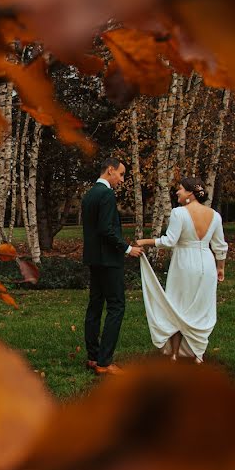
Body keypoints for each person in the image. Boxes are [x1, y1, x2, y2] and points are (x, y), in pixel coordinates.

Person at [134, 177, 228, 363]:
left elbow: (170, 241)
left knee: (176, 307)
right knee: (201, 308)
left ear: (190, 193)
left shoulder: (179, 213)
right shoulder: (215, 215)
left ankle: (175, 354)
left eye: (180, 189)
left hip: (184, 263)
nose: (177, 192)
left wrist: (145, 241)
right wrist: (220, 267)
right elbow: (220, 245)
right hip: (206, 263)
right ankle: (198, 355)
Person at [82, 158, 144, 376]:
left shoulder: (89, 194)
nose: (122, 179)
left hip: (94, 259)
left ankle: (93, 356)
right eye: (121, 174)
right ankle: (104, 362)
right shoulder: (106, 194)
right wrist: (128, 249)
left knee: (95, 306)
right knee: (116, 306)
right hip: (109, 260)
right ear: (110, 170)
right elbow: (106, 230)